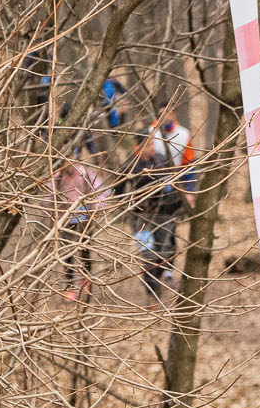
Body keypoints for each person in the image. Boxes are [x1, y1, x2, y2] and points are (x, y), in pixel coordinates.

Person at [123, 101, 196, 297]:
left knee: (167, 246)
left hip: (166, 206)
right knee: (148, 253)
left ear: (173, 113)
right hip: (140, 215)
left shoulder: (182, 136)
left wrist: (186, 192)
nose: (152, 147)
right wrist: (124, 201)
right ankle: (152, 293)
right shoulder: (137, 157)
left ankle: (165, 273)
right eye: (148, 145)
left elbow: (190, 166)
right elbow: (120, 184)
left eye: (168, 113)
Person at [47, 142, 109, 301]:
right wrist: (52, 214)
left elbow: (98, 191)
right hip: (65, 219)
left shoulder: (84, 173)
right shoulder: (57, 177)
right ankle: (69, 287)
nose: (69, 162)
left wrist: (98, 207)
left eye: (71, 158)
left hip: (84, 219)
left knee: (85, 251)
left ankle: (85, 280)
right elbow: (49, 197)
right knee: (67, 253)